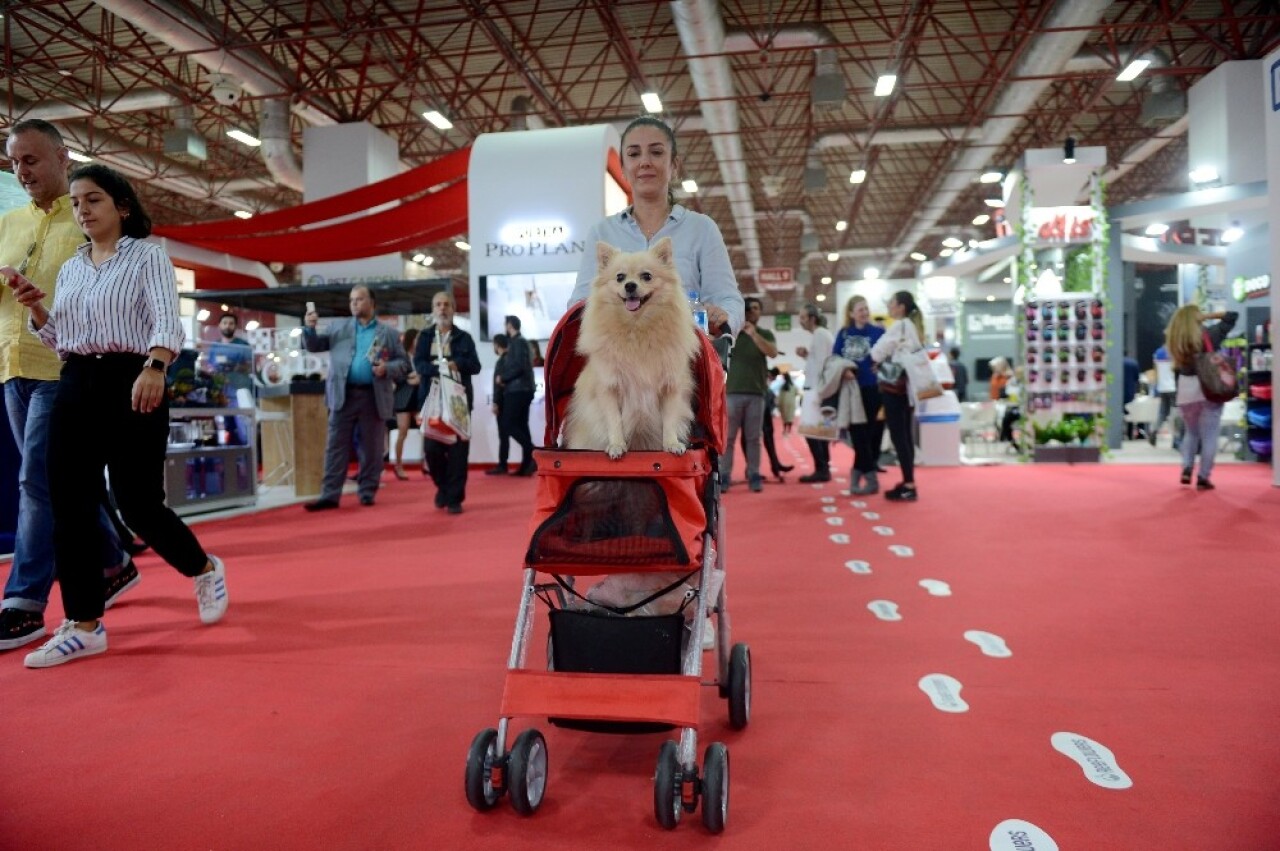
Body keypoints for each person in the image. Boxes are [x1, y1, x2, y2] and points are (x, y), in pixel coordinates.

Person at [6, 163, 229, 667]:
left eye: (94, 200)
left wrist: (155, 366)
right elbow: (62, 340)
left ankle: (204, 568)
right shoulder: (72, 267)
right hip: (76, 382)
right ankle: (84, 624)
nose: (83, 210)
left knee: (138, 504)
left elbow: (167, 319)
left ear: (122, 206)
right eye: (78, 202)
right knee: (71, 505)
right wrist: (38, 311)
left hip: (135, 379)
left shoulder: (148, 256)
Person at [0, 119, 134, 653]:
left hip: (66, 369)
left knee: (36, 483)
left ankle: (24, 604)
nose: (21, 170)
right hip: (10, 366)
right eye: (14, 162)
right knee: (60, 483)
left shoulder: (89, 220)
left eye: (31, 159)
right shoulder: (7, 222)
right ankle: (114, 562)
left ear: (63, 156)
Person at [570, 115, 744, 336]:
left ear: (674, 166)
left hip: (685, 359)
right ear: (623, 167)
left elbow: (728, 298)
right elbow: (580, 303)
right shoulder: (601, 233)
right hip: (616, 361)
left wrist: (723, 316)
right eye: (634, 154)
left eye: (657, 152)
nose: (645, 162)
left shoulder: (702, 229)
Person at [301, 286, 408, 510]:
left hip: (373, 396)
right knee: (335, 447)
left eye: (359, 299)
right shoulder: (338, 328)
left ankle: (367, 491)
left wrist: (386, 368)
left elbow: (404, 364)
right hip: (343, 395)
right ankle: (330, 495)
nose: (354, 304)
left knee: (372, 448)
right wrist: (309, 329)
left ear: (372, 303)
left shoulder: (387, 333)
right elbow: (313, 346)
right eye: (352, 300)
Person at [414, 290, 481, 514]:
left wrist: (456, 364)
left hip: (458, 403)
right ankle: (443, 487)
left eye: (446, 305)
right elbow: (419, 365)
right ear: (433, 310)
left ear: (453, 309)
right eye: (438, 305)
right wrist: (439, 369)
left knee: (458, 454)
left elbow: (475, 366)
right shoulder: (424, 337)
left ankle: (454, 499)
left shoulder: (464, 338)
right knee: (431, 450)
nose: (442, 308)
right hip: (432, 403)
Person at [1165, 304, 1238, 490]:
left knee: (1191, 432)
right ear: (1197, 318)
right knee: (1210, 435)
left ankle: (1186, 468)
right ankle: (1203, 476)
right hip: (1208, 387)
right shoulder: (1209, 334)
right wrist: (1206, 316)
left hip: (1185, 389)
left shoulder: (1176, 338)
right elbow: (1232, 316)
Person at [870, 291, 926, 502]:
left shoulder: (899, 326)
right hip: (908, 388)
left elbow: (876, 353)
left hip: (895, 388)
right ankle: (908, 481)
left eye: (891, 303)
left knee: (899, 437)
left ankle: (909, 484)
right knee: (905, 436)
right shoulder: (912, 327)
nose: (889, 307)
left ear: (901, 306)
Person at [832, 295, 886, 494]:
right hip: (850, 390)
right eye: (860, 309)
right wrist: (843, 370)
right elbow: (835, 357)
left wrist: (881, 365)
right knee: (858, 434)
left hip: (873, 388)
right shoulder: (844, 333)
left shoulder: (878, 332)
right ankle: (869, 478)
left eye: (866, 308)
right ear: (851, 313)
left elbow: (887, 354)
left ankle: (859, 476)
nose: (864, 312)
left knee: (868, 435)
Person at [795, 302, 835, 484]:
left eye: (803, 317)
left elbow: (820, 365)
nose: (800, 321)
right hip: (819, 388)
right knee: (820, 431)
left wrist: (819, 392)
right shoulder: (822, 334)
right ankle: (823, 467)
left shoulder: (820, 335)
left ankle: (822, 468)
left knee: (811, 432)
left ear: (812, 318)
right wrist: (807, 355)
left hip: (816, 389)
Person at [493, 315, 537, 476]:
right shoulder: (520, 343)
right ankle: (526, 466)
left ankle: (533, 454)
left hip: (518, 390)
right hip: (523, 389)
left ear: (510, 325)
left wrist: (503, 378)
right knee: (522, 426)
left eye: (505, 324)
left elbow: (518, 366)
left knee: (508, 424)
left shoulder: (517, 343)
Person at [390, 327, 421, 480]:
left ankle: (428, 462)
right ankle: (398, 465)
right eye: (417, 338)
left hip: (417, 398)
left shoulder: (420, 357)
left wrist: (417, 378)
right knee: (403, 432)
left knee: (426, 429)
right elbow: (397, 377)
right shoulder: (402, 357)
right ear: (411, 339)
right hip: (403, 398)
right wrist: (412, 378)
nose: (420, 341)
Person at [486, 333, 510, 475]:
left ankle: (502, 464)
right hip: (508, 401)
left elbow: (497, 385)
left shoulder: (501, 361)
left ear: (496, 344)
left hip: (503, 402)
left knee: (503, 435)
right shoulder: (510, 360)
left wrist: (495, 402)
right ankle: (503, 464)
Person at [1149, 344, 1181, 448]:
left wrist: (1155, 387)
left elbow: (1156, 371)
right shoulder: (1176, 351)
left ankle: (1154, 430)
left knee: (1163, 412)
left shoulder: (1158, 352)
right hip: (1174, 387)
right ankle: (1176, 438)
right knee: (1176, 414)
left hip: (1162, 387)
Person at [775, 370, 797, 436]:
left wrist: (778, 404)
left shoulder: (782, 387)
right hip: (791, 403)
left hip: (784, 404)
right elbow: (797, 393)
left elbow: (780, 397)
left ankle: (785, 430)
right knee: (790, 417)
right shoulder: (793, 386)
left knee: (785, 417)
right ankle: (789, 430)